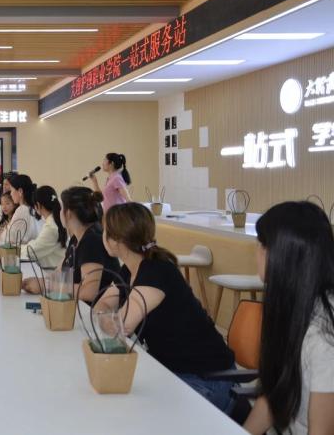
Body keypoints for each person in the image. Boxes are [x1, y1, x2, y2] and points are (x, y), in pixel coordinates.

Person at [98, 203, 236, 414]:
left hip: (207, 379)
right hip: (175, 370)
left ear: (117, 240)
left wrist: (108, 318)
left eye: (105, 230)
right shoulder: (130, 270)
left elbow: (121, 326)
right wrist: (107, 316)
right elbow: (102, 305)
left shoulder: (156, 271)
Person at [244, 202, 334, 435]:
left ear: (280, 256)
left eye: (261, 244)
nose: (257, 251)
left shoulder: (323, 337)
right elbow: (274, 395)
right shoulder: (294, 308)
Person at [61, 186, 120, 302]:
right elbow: (61, 273)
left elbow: (89, 292)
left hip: (95, 310)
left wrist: (48, 286)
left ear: (68, 213)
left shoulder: (92, 241)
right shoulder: (76, 238)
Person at [21, 186, 68, 293]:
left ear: (38, 205)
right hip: (53, 273)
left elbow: (32, 251)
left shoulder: (52, 226)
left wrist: (14, 250)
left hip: (53, 276)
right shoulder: (54, 221)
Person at [0, 174, 39, 244]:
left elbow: (10, 237)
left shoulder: (22, 209)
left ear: (20, 191)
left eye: (12, 190)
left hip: (24, 249)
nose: (11, 194)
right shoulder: (32, 208)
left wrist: (0, 233)